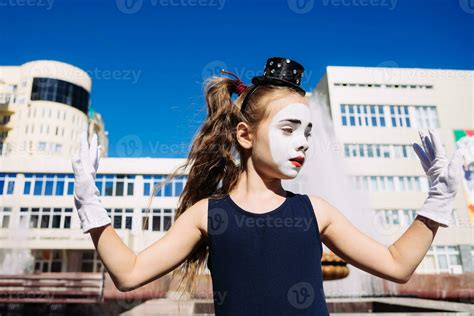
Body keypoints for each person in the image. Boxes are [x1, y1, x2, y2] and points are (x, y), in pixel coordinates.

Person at [71, 57, 466, 315]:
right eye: (289, 128)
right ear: (245, 135)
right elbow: (129, 273)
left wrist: (437, 201)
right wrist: (90, 204)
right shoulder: (208, 214)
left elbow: (397, 265)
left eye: (308, 131)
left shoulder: (316, 210)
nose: (304, 142)